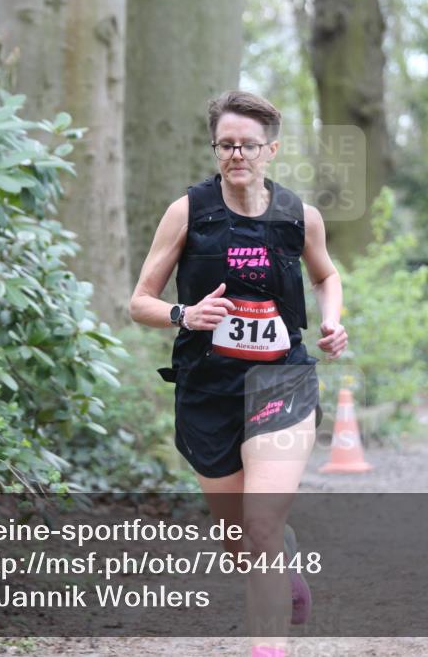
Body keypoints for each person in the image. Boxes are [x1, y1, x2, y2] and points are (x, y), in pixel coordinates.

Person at [129, 90, 347, 657]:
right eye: (225, 144)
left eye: (248, 145)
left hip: (281, 381)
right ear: (215, 149)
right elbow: (139, 302)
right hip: (208, 386)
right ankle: (285, 560)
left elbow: (326, 276)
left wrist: (333, 321)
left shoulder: (300, 216)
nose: (236, 155)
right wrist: (186, 313)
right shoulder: (189, 212)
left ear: (270, 149)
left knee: (259, 527)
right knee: (239, 541)